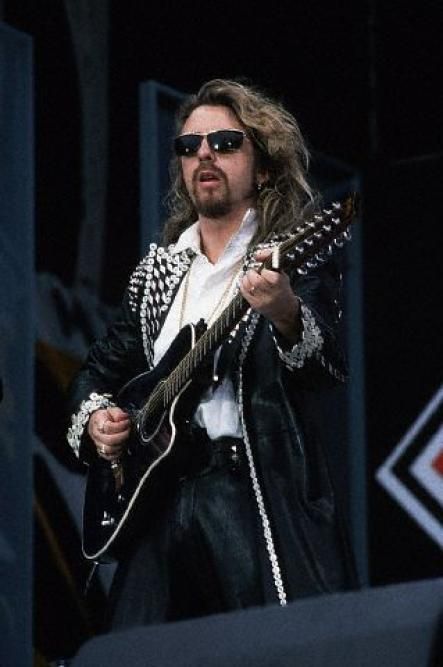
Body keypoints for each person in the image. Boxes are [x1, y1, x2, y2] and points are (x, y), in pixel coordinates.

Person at [67, 78, 358, 631]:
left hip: (247, 489)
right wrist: (98, 422)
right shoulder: (157, 274)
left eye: (225, 143)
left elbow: (326, 369)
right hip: (156, 498)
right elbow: (96, 371)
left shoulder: (287, 258)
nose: (204, 154)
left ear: (263, 168)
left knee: (268, 647)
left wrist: (284, 311)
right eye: (189, 145)